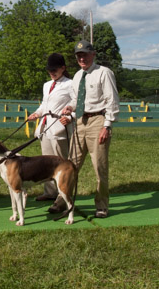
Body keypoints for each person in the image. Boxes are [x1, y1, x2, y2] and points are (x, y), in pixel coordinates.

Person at [52, 40, 119, 218]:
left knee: (100, 166)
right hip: (80, 122)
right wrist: (70, 107)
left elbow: (112, 101)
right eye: (79, 56)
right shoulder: (77, 76)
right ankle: (62, 201)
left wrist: (107, 125)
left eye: (85, 54)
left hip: (98, 120)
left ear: (93, 54)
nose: (82, 58)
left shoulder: (104, 73)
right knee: (70, 165)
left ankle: (102, 206)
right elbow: (77, 100)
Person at [28, 53, 73, 201]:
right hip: (45, 128)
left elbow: (78, 105)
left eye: (55, 69)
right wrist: (36, 113)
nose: (52, 73)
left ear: (63, 68)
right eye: (49, 70)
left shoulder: (70, 84)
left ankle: (63, 194)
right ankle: (49, 192)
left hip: (60, 128)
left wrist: (70, 118)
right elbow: (44, 105)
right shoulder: (47, 85)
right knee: (46, 163)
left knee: (61, 163)